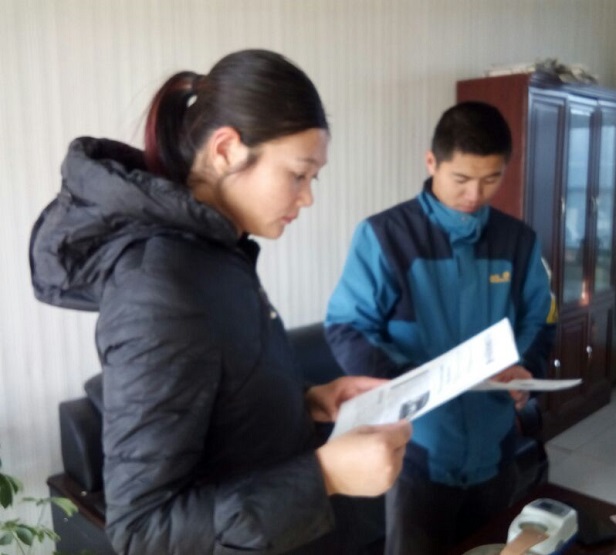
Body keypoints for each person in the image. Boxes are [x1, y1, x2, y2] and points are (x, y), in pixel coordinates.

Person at [29, 49, 411, 555]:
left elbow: (222, 401)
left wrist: (306, 402)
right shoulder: (159, 288)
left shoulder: (218, 252)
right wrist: (324, 475)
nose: (307, 197)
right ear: (227, 149)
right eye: (298, 174)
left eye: (312, 178)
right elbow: (143, 530)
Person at [325, 101, 557, 555]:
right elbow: (347, 326)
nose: (475, 194)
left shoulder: (518, 241)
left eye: (491, 179)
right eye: (461, 179)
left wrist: (526, 366)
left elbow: (539, 315)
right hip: (417, 452)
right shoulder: (386, 236)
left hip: (495, 449)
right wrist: (408, 385)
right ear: (431, 162)